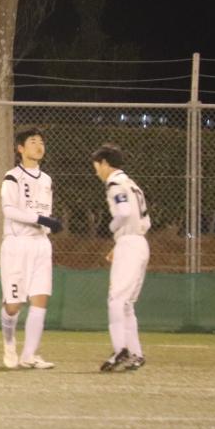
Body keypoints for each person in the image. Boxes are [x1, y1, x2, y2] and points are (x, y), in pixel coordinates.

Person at [0, 128, 63, 370]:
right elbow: (9, 210)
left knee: (40, 299)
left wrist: (48, 224)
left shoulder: (46, 180)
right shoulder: (12, 177)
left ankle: (29, 355)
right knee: (13, 305)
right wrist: (41, 219)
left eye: (41, 142)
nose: (39, 146)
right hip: (17, 245)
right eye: (33, 141)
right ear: (20, 148)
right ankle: (9, 344)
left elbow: (45, 211)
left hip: (41, 245)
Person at [93, 144, 151, 372]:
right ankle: (135, 353)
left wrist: (112, 228)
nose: (97, 171)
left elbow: (124, 212)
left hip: (129, 244)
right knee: (126, 304)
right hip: (139, 243)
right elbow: (140, 218)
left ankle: (120, 350)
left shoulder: (115, 183)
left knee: (116, 300)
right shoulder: (131, 184)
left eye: (97, 166)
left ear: (105, 163)